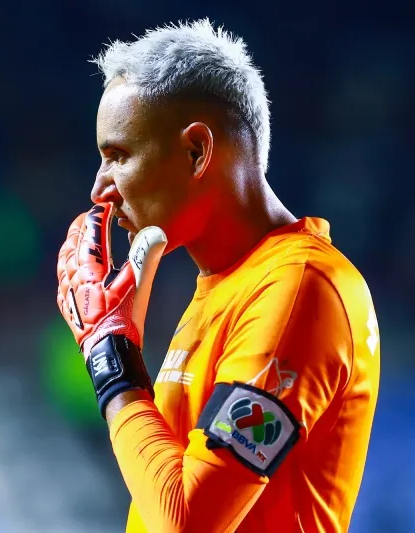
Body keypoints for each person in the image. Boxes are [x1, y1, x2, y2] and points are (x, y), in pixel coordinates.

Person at [55, 19, 380, 533]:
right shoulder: (228, 285)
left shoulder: (300, 288)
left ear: (197, 151)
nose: (100, 188)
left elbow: (188, 522)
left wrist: (110, 358)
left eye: (118, 156)